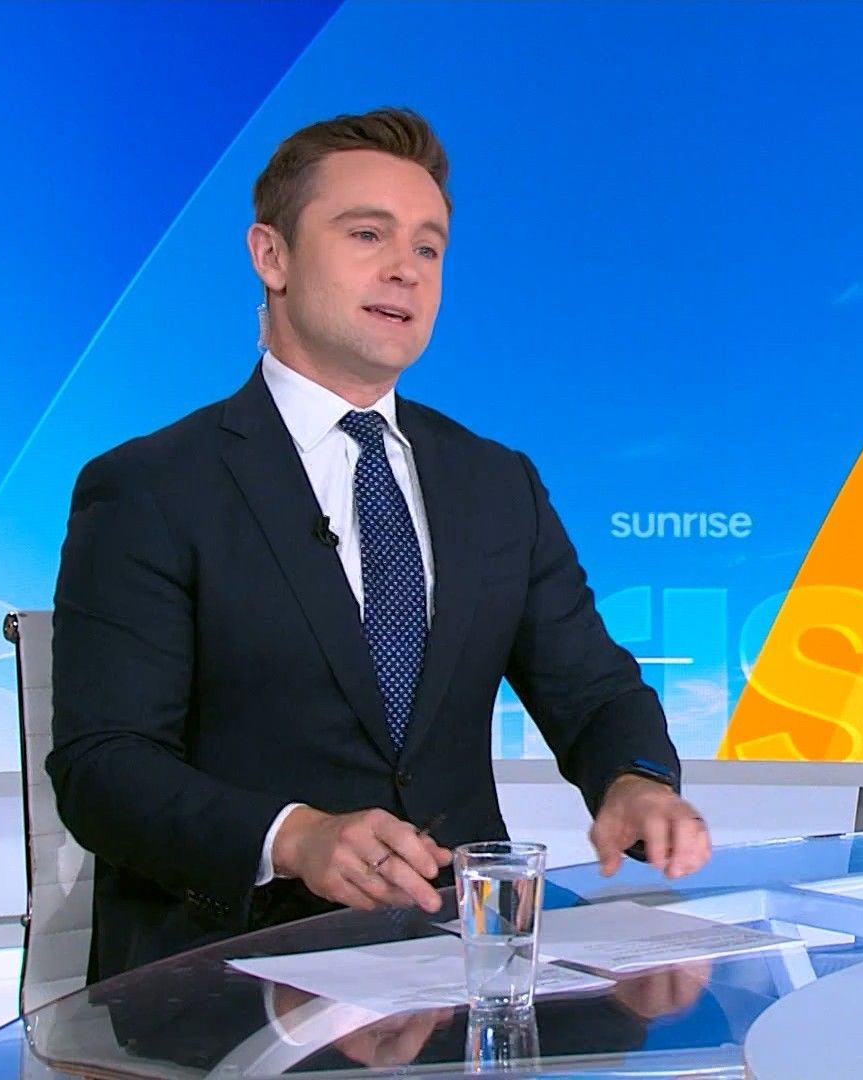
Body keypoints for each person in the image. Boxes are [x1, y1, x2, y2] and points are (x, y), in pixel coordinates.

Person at [48, 107, 712, 980]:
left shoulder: (495, 482)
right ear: (272, 256)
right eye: (367, 235)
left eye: (429, 248)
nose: (406, 268)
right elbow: (103, 767)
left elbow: (592, 692)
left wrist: (634, 783)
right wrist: (295, 838)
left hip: (461, 957)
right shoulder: (152, 487)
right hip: (225, 972)